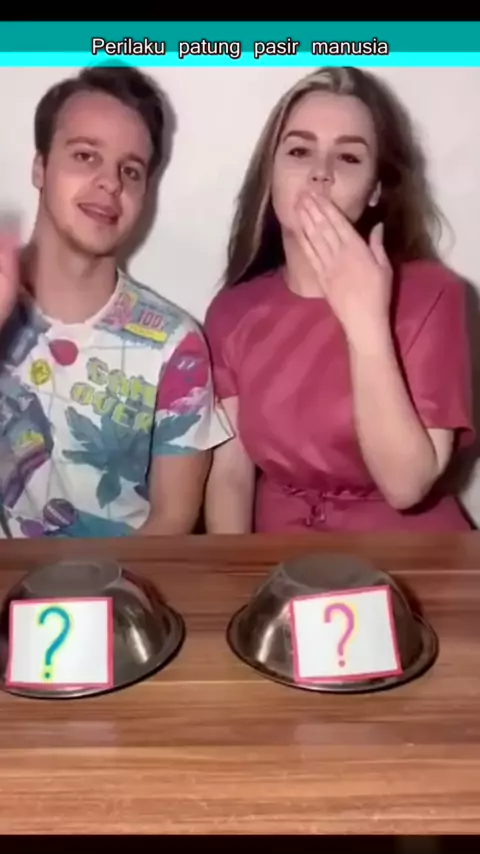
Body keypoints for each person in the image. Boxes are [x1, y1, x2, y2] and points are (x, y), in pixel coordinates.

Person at [203, 66, 475, 534]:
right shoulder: (233, 311)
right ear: (271, 174)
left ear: (375, 190)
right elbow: (231, 476)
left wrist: (366, 322)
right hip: (280, 553)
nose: (320, 173)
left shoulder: (435, 294)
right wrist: (235, 573)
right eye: (299, 151)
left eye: (348, 157)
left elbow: (407, 485)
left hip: (410, 554)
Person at [0, 64, 232, 538]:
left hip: (120, 581)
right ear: (40, 167)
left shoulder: (176, 345)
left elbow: (172, 522)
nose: (110, 183)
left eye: (130, 170)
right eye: (85, 155)